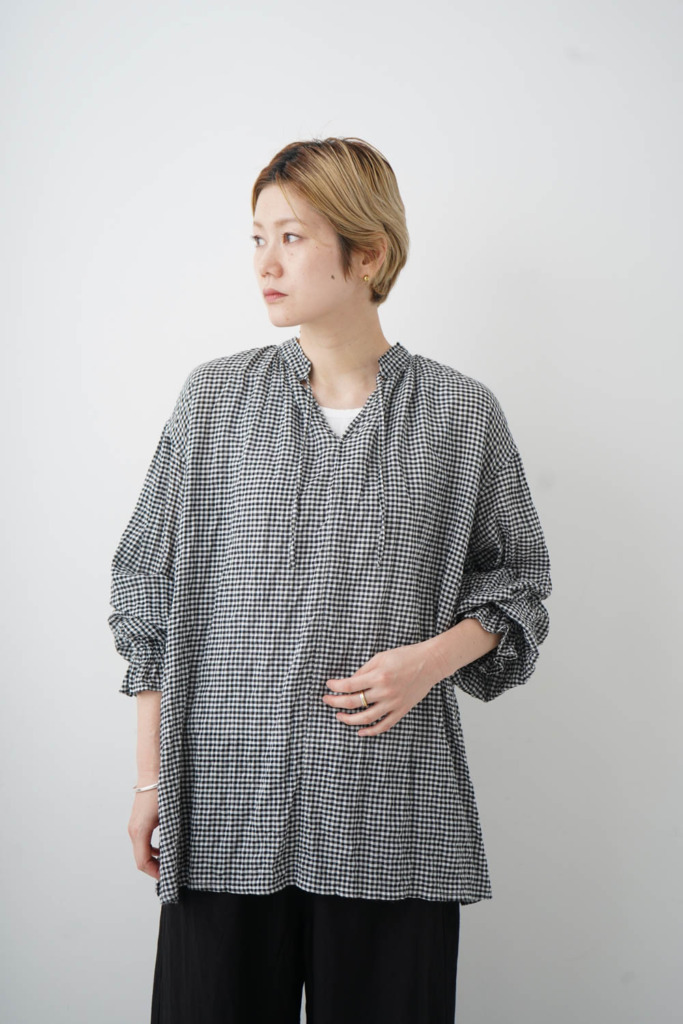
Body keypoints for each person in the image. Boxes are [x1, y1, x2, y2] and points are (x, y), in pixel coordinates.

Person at [108, 137, 552, 1024]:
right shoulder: (214, 402)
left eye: (292, 237)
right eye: (256, 237)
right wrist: (151, 783)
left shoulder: (459, 414)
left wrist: (428, 662)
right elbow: (145, 591)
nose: (264, 263)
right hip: (226, 805)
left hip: (390, 811)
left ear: (368, 253)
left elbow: (519, 586)